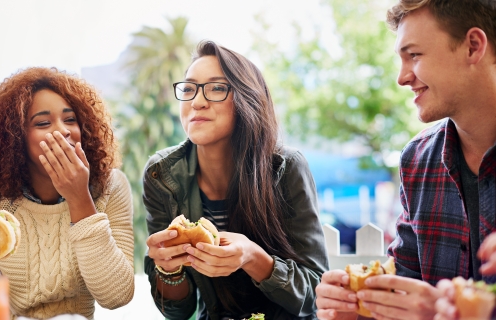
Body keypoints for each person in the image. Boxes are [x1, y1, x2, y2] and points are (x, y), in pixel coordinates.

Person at [315, 0, 496, 319]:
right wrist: (360, 310)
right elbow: (402, 289)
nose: (401, 77)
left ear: (473, 47)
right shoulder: (417, 159)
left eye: (414, 55)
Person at [142, 40, 328, 320]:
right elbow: (178, 312)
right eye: (189, 88)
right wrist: (169, 270)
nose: (197, 101)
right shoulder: (161, 175)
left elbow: (316, 294)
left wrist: (254, 258)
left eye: (216, 88)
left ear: (247, 100)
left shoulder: (286, 167)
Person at [0, 67, 135, 319]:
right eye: (43, 123)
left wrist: (79, 198)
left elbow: (116, 296)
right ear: (15, 138)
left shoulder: (110, 187)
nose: (62, 131)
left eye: (70, 119)